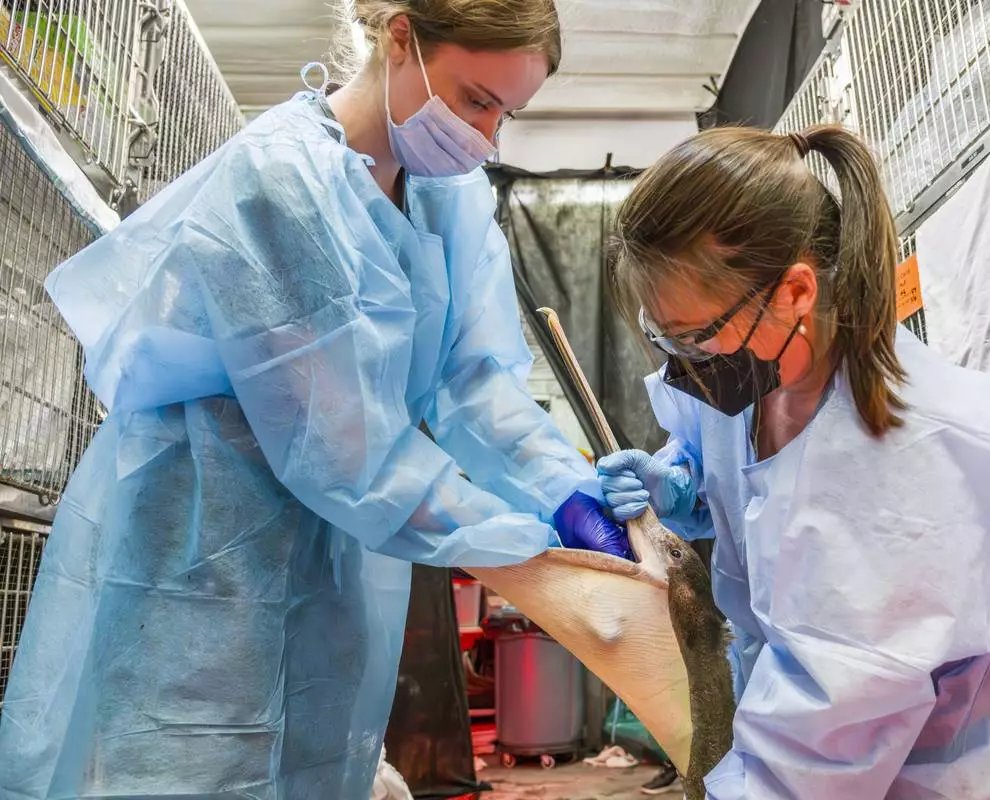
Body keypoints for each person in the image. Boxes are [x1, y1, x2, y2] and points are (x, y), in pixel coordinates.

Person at [0, 1, 629, 797]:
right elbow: (344, 449)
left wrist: (569, 493)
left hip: (332, 545)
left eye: (508, 112)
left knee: (315, 756)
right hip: (204, 537)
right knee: (189, 761)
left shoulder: (448, 196)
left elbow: (475, 383)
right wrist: (523, 543)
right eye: (476, 100)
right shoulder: (281, 182)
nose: (488, 138)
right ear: (402, 38)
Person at [598, 125, 990, 798]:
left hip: (951, 774)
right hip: (807, 747)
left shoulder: (912, 457)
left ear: (797, 292)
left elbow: (825, 735)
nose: (687, 363)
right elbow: (728, 473)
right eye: (665, 336)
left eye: (696, 335)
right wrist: (682, 486)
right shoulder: (751, 371)